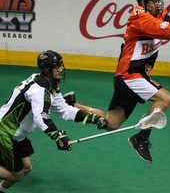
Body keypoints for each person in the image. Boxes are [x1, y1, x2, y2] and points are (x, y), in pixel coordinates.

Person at [64, 0, 170, 163]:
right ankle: (141, 137)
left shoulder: (160, 14)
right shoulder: (139, 18)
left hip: (132, 77)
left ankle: (70, 103)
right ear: (143, 2)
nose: (157, 4)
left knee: (112, 123)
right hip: (130, 75)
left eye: (158, 0)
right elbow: (163, 29)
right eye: (153, 1)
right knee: (165, 98)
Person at [0, 50, 107, 192]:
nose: (61, 69)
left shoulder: (49, 84)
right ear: (47, 69)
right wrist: (58, 136)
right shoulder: (39, 89)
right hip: (5, 132)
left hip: (17, 134)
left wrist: (90, 117)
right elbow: (40, 117)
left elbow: (64, 110)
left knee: (27, 167)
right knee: (16, 175)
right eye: (58, 66)